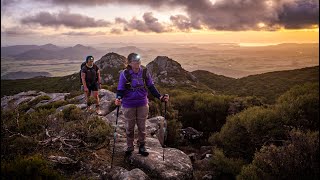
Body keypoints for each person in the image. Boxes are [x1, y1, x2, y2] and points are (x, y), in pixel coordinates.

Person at [115, 53, 169, 156]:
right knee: (130, 127)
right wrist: (118, 98)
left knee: (142, 127)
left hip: (142, 103)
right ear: (130, 63)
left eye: (139, 60)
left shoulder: (144, 72)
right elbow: (120, 89)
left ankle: (142, 146)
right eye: (135, 60)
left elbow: (151, 87)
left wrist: (160, 97)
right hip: (128, 104)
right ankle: (130, 146)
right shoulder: (124, 74)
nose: (138, 62)